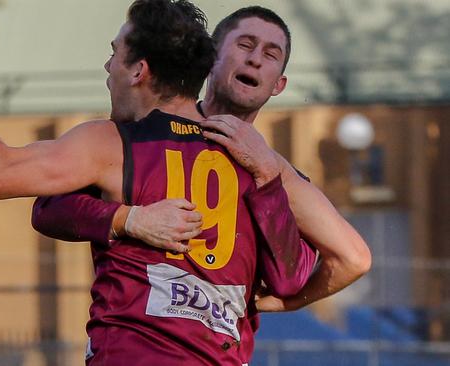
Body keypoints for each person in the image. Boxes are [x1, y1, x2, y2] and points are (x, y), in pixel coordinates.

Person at [0, 1, 319, 364]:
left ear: (138, 70)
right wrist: (127, 219)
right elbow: (341, 261)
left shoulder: (115, 143)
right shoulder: (255, 164)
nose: (107, 65)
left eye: (114, 52)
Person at [31, 5, 371, 325]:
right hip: (136, 347)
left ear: (279, 84)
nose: (255, 60)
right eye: (245, 45)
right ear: (211, 59)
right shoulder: (147, 133)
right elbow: (49, 207)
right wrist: (129, 219)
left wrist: (287, 302)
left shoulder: (273, 172)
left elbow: (353, 258)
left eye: (270, 55)